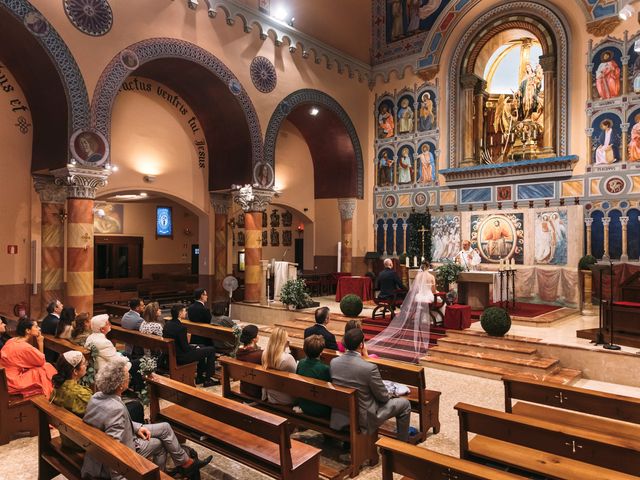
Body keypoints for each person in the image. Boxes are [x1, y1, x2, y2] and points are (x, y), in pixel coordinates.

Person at [81, 357, 212, 479]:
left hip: (102, 446)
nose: (130, 379)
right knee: (159, 444)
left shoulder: (96, 396)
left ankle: (185, 463)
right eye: (128, 377)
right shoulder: (116, 408)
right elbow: (114, 449)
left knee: (165, 427)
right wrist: (121, 477)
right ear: (120, 385)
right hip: (119, 455)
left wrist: (138, 428)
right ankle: (159, 475)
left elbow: (114, 422)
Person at [330, 328, 412, 442]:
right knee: (405, 404)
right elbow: (383, 397)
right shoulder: (369, 368)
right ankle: (402, 445)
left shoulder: (334, 362)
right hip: (364, 418)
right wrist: (391, 393)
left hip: (342, 412)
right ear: (361, 345)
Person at [368, 261, 436, 363]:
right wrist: (406, 291)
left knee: (409, 299)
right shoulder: (394, 273)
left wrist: (410, 294)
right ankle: (432, 319)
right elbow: (400, 285)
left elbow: (376, 286)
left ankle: (412, 312)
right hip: (392, 296)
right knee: (439, 301)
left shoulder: (381, 273)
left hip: (381, 296)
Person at [0, 317, 56, 398]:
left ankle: (52, 393)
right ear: (28, 331)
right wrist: (40, 342)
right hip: (12, 382)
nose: (39, 328)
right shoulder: (25, 347)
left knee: (43, 369)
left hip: (4, 378)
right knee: (45, 367)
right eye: (36, 326)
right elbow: (42, 361)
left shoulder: (11, 340)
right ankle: (50, 396)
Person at [163, 304, 217, 387]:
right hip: (182, 357)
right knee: (211, 349)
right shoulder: (181, 328)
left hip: (173, 355)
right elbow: (186, 349)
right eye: (185, 311)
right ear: (180, 313)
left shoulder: (167, 324)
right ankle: (208, 379)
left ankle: (199, 377)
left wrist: (196, 346)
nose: (186, 312)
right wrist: (195, 347)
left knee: (202, 346)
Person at [296, 335, 331, 418]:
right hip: (319, 408)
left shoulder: (301, 363)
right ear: (321, 352)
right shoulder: (325, 369)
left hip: (303, 403)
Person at [261, 327, 296, 406]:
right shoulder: (287, 358)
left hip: (270, 395)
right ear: (284, 341)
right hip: (286, 398)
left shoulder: (264, 353)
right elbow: (296, 377)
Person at [236, 324, 263, 398]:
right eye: (257, 334)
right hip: (256, 392)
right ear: (254, 339)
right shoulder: (259, 354)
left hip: (244, 388)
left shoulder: (239, 352)